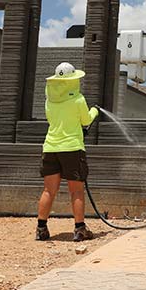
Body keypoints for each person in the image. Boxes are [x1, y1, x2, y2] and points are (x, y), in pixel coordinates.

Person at [35, 62, 100, 242]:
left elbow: (54, 120)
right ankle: (80, 229)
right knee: (76, 191)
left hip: (50, 148)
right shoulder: (78, 99)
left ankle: (41, 229)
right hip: (72, 148)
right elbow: (86, 120)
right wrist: (95, 111)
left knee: (49, 190)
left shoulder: (49, 100)